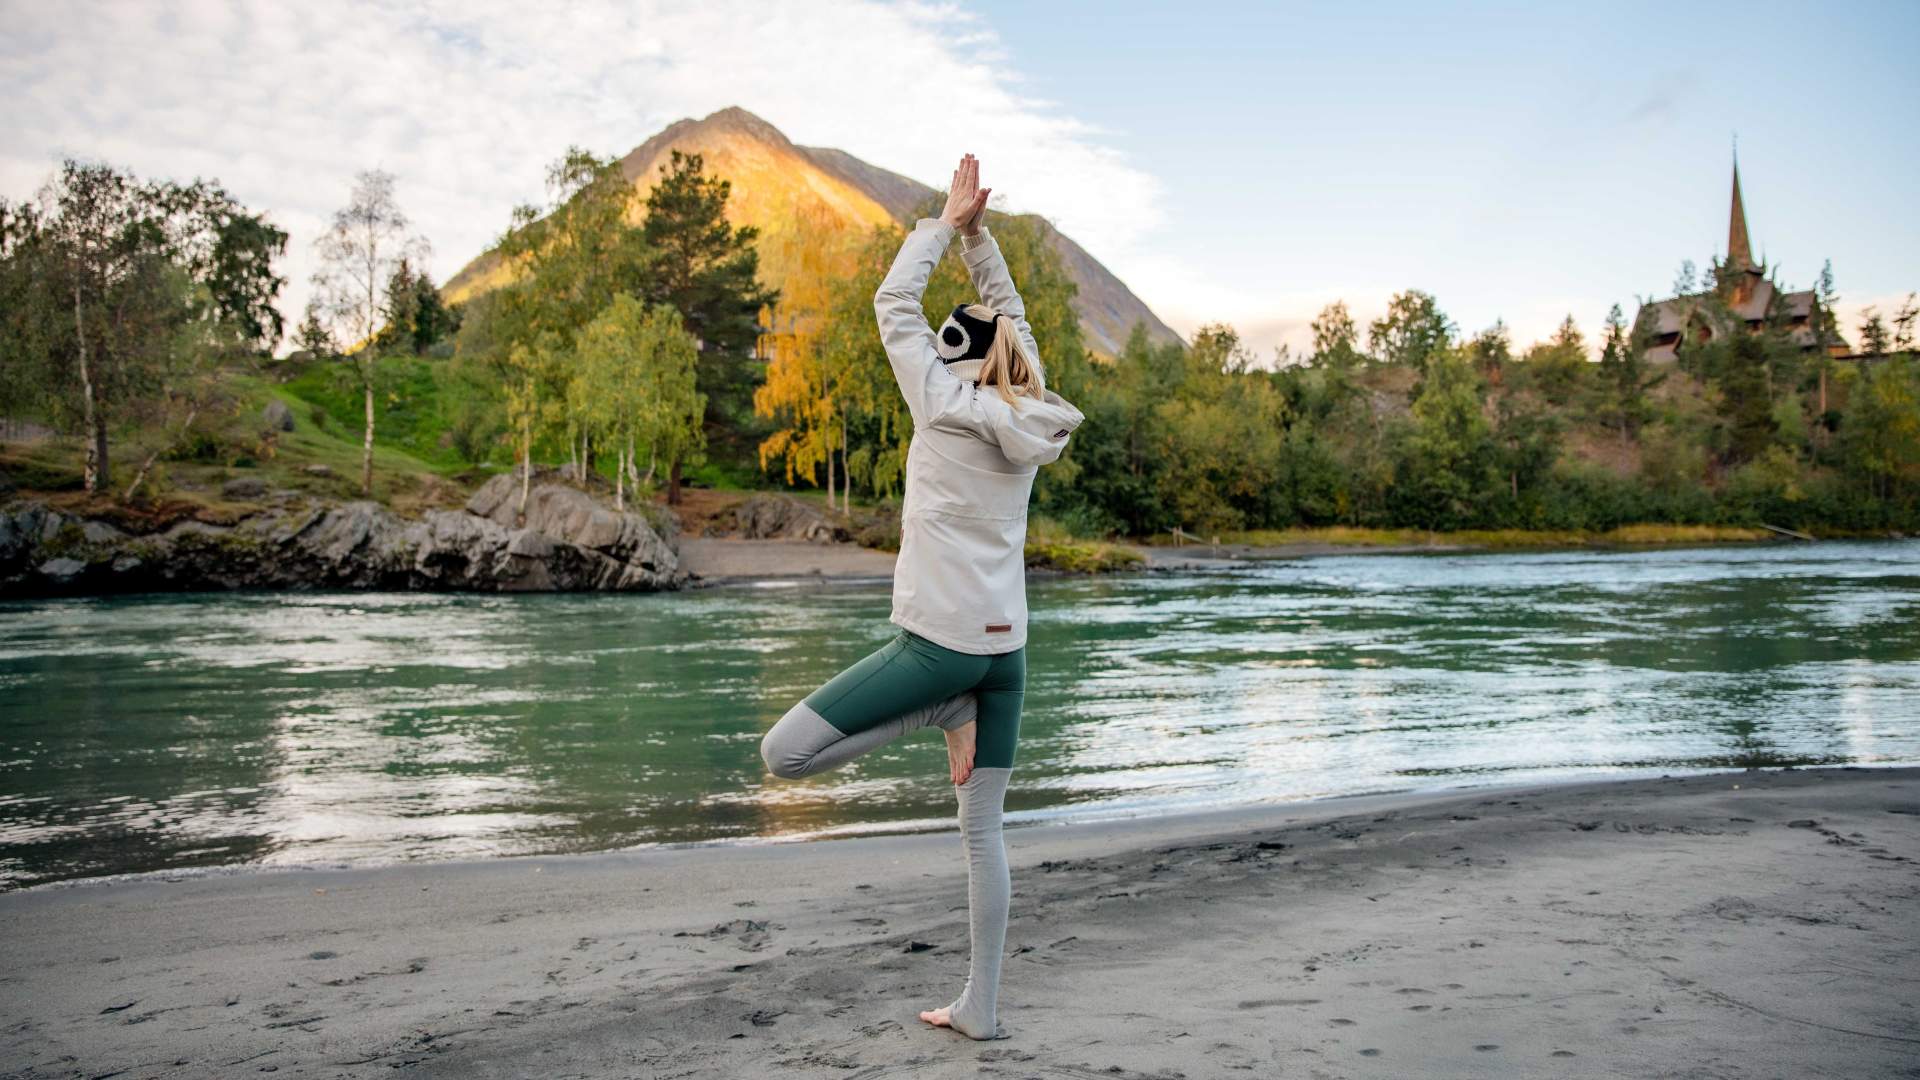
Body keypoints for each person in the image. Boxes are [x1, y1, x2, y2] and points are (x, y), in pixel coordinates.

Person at [758, 152, 1084, 1042]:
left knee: (783, 756)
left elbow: (890, 304)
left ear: (955, 361)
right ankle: (981, 1006)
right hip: (1006, 653)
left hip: (941, 649)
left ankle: (938, 713)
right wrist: (981, 244)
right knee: (984, 835)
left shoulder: (939, 402)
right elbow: (1009, 315)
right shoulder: (1033, 411)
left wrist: (945, 224)